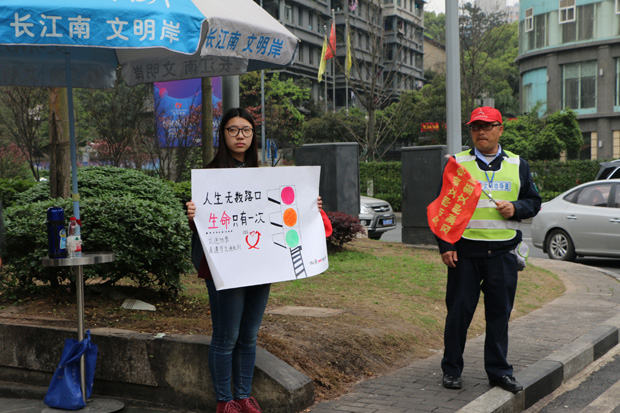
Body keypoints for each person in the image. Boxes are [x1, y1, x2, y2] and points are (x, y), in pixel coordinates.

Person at [186, 108, 330, 413]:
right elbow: (205, 227)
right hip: (224, 268)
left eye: (246, 130)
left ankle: (243, 396)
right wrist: (193, 216)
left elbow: (286, 210)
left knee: (249, 336)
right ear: (223, 135)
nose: (240, 136)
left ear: (253, 135)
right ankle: (224, 401)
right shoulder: (209, 177)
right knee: (226, 336)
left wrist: (310, 204)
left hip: (260, 266)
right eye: (233, 130)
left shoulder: (266, 176)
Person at [436, 106, 541, 393]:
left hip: (503, 255)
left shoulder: (518, 164)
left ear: (500, 129)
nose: (480, 132)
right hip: (464, 255)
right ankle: (451, 370)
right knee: (458, 315)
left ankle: (499, 373)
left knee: (499, 317)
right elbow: (442, 207)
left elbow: (534, 201)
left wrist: (515, 208)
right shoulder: (457, 164)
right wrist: (446, 245)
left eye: (486, 126)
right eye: (475, 127)